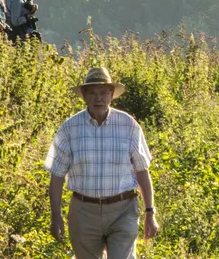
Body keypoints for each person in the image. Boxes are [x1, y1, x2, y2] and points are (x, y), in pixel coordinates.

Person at [45, 67, 159, 258]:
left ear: (112, 94)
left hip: (123, 209)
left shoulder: (128, 125)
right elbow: (56, 176)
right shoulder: (69, 129)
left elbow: (142, 171)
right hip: (83, 212)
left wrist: (150, 212)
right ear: (84, 95)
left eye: (104, 92)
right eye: (92, 92)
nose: (99, 98)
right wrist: (55, 216)